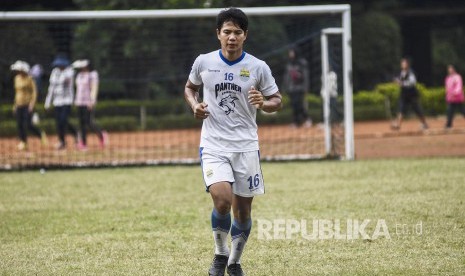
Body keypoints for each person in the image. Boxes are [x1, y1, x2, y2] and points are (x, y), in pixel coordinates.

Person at [184, 8, 282, 276]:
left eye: (237, 32)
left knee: (243, 212)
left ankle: (235, 262)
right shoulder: (203, 62)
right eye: (226, 31)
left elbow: (276, 100)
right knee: (222, 199)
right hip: (214, 144)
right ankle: (220, 254)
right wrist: (194, 106)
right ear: (218, 34)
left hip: (246, 147)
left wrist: (265, 103)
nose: (231, 37)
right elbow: (190, 88)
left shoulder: (258, 67)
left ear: (245, 36)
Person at [10, 60, 47, 151]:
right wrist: (15, 105)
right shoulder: (17, 78)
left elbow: (34, 92)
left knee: (28, 124)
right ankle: (23, 142)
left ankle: (40, 134)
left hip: (27, 105)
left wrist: (32, 104)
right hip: (19, 104)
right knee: (19, 124)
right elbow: (17, 92)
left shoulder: (30, 78)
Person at [73, 59, 108, 150]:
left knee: (89, 122)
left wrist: (91, 101)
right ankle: (83, 143)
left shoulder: (92, 75)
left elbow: (94, 88)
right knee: (81, 123)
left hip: (88, 102)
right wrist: (76, 101)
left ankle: (101, 135)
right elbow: (78, 89)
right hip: (80, 102)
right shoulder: (79, 76)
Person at [45, 55, 78, 150]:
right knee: (59, 123)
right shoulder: (54, 72)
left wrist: (73, 101)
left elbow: (68, 82)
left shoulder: (69, 72)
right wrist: (48, 102)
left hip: (67, 101)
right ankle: (62, 141)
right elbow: (51, 88)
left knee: (64, 120)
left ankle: (75, 133)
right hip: (57, 102)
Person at [392, 58, 428, 130]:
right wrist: (397, 81)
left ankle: (424, 124)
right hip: (404, 94)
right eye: (402, 63)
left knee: (417, 110)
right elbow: (400, 81)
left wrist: (401, 83)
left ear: (407, 64)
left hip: (412, 95)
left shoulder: (411, 72)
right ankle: (398, 125)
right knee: (401, 109)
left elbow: (413, 82)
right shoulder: (402, 72)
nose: (402, 65)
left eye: (404, 63)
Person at [283, 48, 312, 127]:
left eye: (292, 52)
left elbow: (306, 76)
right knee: (294, 105)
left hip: (300, 88)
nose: (291, 54)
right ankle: (296, 122)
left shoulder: (302, 63)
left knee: (300, 105)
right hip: (291, 89)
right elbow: (287, 77)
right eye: (290, 52)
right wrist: (286, 88)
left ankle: (307, 119)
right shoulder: (289, 64)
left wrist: (306, 88)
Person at [444, 65, 465, 129]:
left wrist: (454, 94)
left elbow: (459, 86)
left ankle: (448, 124)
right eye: (449, 69)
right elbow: (447, 88)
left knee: (463, 111)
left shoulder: (457, 77)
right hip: (451, 98)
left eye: (451, 69)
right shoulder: (448, 78)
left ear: (454, 69)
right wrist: (448, 95)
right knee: (449, 111)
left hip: (457, 98)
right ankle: (448, 125)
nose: (450, 70)